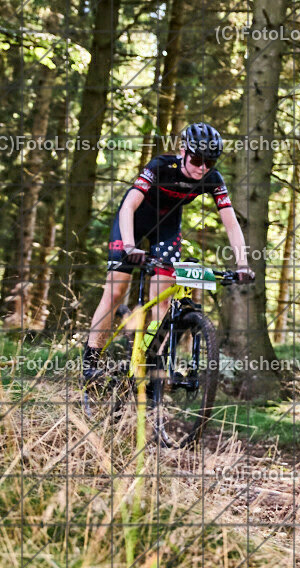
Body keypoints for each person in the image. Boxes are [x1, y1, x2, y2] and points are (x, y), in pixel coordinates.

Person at [83, 123, 254, 379]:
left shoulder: (212, 178)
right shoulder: (160, 166)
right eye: (197, 159)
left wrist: (242, 264)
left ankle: (153, 369)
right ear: (183, 150)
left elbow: (231, 223)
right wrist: (129, 246)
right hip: (132, 223)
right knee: (116, 290)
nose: (202, 168)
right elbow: (128, 206)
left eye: (210, 162)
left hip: (167, 228)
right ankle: (91, 361)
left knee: (163, 299)